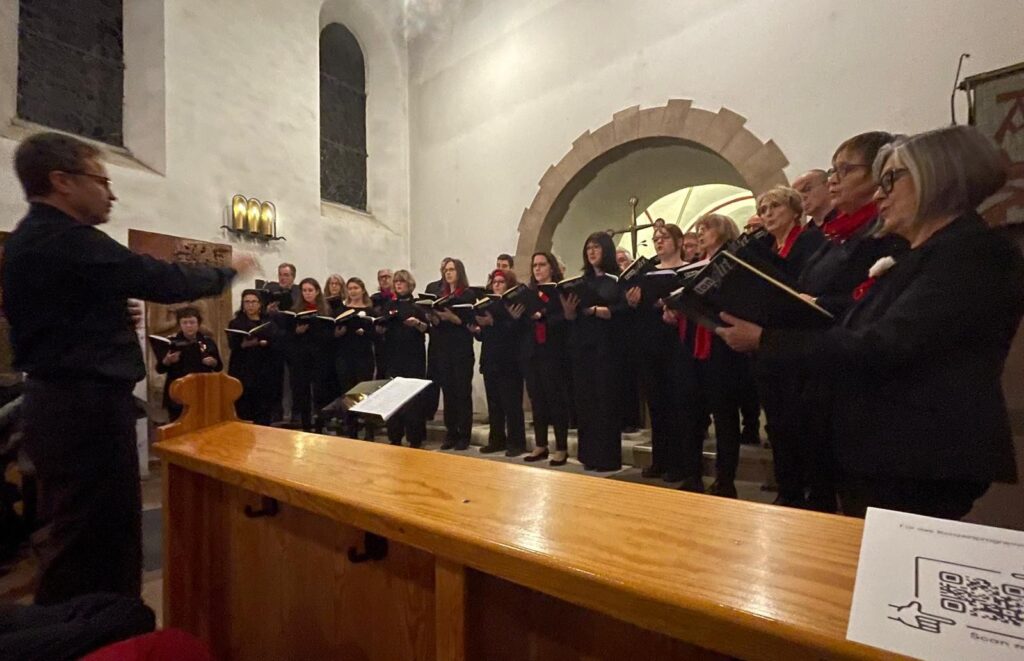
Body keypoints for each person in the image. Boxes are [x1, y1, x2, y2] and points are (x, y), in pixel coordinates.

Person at [718, 125, 1022, 519]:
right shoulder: (923, 253)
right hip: (887, 450)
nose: (880, 193)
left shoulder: (970, 253)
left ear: (939, 178)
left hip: (918, 452)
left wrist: (767, 339)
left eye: (892, 179)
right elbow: (861, 322)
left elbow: (885, 343)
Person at [2, 131, 252, 604]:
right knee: (97, 539)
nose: (111, 194)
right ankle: (101, 629)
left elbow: (57, 316)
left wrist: (109, 314)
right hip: (84, 410)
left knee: (82, 532)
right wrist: (228, 270)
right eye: (102, 181)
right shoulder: (67, 239)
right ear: (62, 181)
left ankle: (93, 625)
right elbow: (155, 276)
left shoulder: (31, 239)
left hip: (63, 403)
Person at [625, 224, 689, 481]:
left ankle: (679, 463)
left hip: (676, 343)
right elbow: (638, 308)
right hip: (649, 342)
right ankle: (660, 459)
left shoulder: (686, 271)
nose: (659, 242)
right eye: (655, 239)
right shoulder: (646, 274)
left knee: (677, 403)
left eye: (664, 238)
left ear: (679, 241)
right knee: (656, 403)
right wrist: (632, 302)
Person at [561, 232, 624, 472]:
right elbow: (572, 318)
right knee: (585, 401)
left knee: (605, 401)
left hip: (606, 347)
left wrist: (598, 310)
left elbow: (622, 310)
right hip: (582, 346)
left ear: (606, 250)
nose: (592, 252)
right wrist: (569, 311)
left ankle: (607, 458)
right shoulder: (582, 282)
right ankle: (589, 456)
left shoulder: (616, 280)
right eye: (588, 248)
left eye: (596, 247)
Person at [515, 252, 571, 465]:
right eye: (535, 265)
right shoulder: (528, 293)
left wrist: (544, 316)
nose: (537, 269)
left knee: (556, 400)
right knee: (537, 399)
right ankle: (541, 444)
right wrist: (517, 316)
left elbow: (565, 319)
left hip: (553, 351)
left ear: (551, 267)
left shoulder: (559, 291)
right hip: (532, 352)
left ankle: (562, 447)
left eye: (542, 264)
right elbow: (523, 324)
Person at [473, 269, 527, 456]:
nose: (496, 285)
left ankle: (516, 442)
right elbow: (484, 336)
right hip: (490, 358)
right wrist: (478, 328)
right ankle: (496, 440)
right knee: (494, 403)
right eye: (494, 282)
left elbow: (518, 332)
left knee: (511, 404)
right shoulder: (487, 304)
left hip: (509, 360)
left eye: (501, 282)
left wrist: (494, 322)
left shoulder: (515, 304)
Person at [380, 270, 430, 448]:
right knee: (393, 395)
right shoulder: (389, 305)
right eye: (396, 282)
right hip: (393, 355)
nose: (399, 284)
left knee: (413, 398)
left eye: (402, 281)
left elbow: (427, 328)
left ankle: (415, 437)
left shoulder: (418, 306)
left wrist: (417, 323)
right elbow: (382, 326)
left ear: (409, 284)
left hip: (413, 356)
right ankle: (395, 435)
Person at [431, 258, 476, 450]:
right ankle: (451, 433)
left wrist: (452, 318)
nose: (448, 273)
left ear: (459, 272)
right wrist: (433, 317)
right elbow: (437, 325)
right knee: (448, 392)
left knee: (462, 392)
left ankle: (464, 434)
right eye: (446, 270)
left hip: (461, 348)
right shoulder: (439, 295)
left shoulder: (468, 294)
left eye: (452, 269)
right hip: (443, 348)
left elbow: (470, 323)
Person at [156, 306, 223, 422]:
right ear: (180, 324)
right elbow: (160, 369)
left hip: (202, 390)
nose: (188, 326)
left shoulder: (208, 342)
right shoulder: (171, 343)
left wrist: (213, 362)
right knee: (178, 425)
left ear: (198, 324)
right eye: (185, 323)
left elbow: (219, 367)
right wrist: (167, 361)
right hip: (178, 392)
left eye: (192, 322)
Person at [283, 277, 331, 432]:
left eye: (310, 290)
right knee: (303, 392)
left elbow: (328, 334)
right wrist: (296, 331)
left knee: (320, 392)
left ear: (317, 292)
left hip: (319, 357)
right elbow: (287, 336)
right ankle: (306, 426)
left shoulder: (325, 310)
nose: (307, 293)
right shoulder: (295, 311)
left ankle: (320, 426)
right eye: (304, 290)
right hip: (301, 357)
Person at [227, 289, 277, 425]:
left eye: (254, 302)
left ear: (260, 304)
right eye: (247, 302)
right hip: (243, 369)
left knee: (263, 408)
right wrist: (245, 344)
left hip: (264, 369)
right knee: (244, 407)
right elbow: (233, 345)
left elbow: (276, 342)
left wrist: (265, 342)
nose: (250, 305)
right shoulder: (236, 323)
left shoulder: (268, 322)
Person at [337, 277, 378, 439]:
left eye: (356, 288)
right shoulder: (342, 310)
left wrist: (366, 332)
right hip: (345, 356)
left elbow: (377, 335)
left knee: (365, 392)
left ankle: (369, 431)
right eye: (350, 288)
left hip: (364, 356)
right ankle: (351, 430)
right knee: (348, 394)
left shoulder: (370, 311)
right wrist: (338, 332)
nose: (353, 291)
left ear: (362, 290)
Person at [758, 185, 825, 279]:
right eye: (763, 210)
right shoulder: (768, 252)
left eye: (775, 205)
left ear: (795, 211)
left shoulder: (811, 239)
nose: (768, 213)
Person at [371, 269, 396, 379]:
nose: (385, 280)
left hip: (396, 342)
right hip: (379, 342)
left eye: (387, 277)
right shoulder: (374, 299)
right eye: (382, 277)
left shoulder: (398, 297)